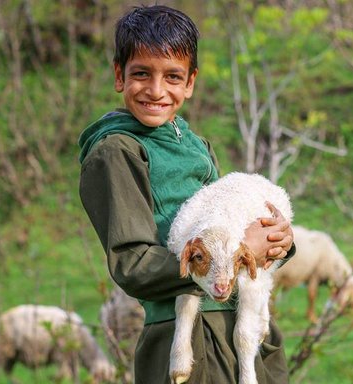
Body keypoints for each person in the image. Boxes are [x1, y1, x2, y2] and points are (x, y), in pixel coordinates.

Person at [78, 5, 294, 384]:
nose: (156, 90)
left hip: (242, 331)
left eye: (173, 76)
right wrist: (235, 251)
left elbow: (227, 226)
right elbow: (133, 264)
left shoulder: (194, 143)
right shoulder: (118, 152)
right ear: (119, 75)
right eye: (141, 74)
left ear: (190, 82)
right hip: (192, 343)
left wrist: (279, 240)